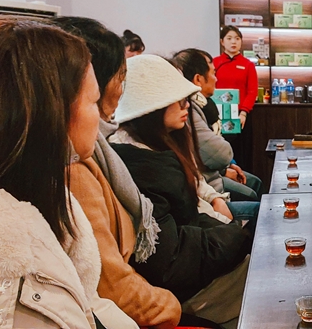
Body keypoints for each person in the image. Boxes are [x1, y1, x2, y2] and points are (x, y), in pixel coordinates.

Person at [0, 18, 134, 328]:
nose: (101, 117)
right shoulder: (9, 279)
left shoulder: (39, 192)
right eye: (93, 101)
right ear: (53, 114)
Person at [55, 17, 182, 328]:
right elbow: (112, 286)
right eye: (119, 78)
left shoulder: (97, 151)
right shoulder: (74, 169)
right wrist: (171, 304)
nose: (121, 92)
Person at [110, 54, 253, 325]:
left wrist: (226, 226)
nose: (186, 104)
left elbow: (190, 215)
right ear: (151, 107)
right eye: (177, 99)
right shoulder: (141, 166)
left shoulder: (157, 147)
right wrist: (237, 235)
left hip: (197, 267)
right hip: (187, 291)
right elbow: (171, 260)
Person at [172, 48, 264, 202]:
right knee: (251, 196)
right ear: (198, 79)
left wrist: (226, 166)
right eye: (213, 73)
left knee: (255, 182)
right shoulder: (190, 108)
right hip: (207, 183)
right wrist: (223, 170)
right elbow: (217, 152)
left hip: (212, 175)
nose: (216, 79)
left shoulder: (205, 104)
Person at [213, 26, 258, 167]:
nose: (233, 42)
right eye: (229, 38)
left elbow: (252, 91)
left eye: (237, 39)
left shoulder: (248, 64)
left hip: (241, 115)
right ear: (222, 41)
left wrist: (243, 113)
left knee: (242, 152)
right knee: (220, 150)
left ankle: (244, 177)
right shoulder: (215, 63)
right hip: (218, 115)